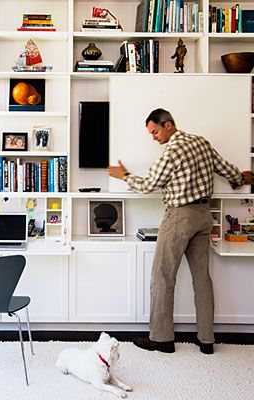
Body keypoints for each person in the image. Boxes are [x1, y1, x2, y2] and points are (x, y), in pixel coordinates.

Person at [108, 108, 253, 355]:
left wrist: (125, 175)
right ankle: (207, 340)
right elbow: (226, 170)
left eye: (154, 132)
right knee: (202, 279)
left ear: (168, 125)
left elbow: (148, 185)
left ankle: (162, 339)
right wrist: (242, 178)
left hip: (179, 218)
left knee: (162, 277)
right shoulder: (201, 142)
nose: (153, 138)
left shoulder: (172, 151)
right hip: (204, 216)